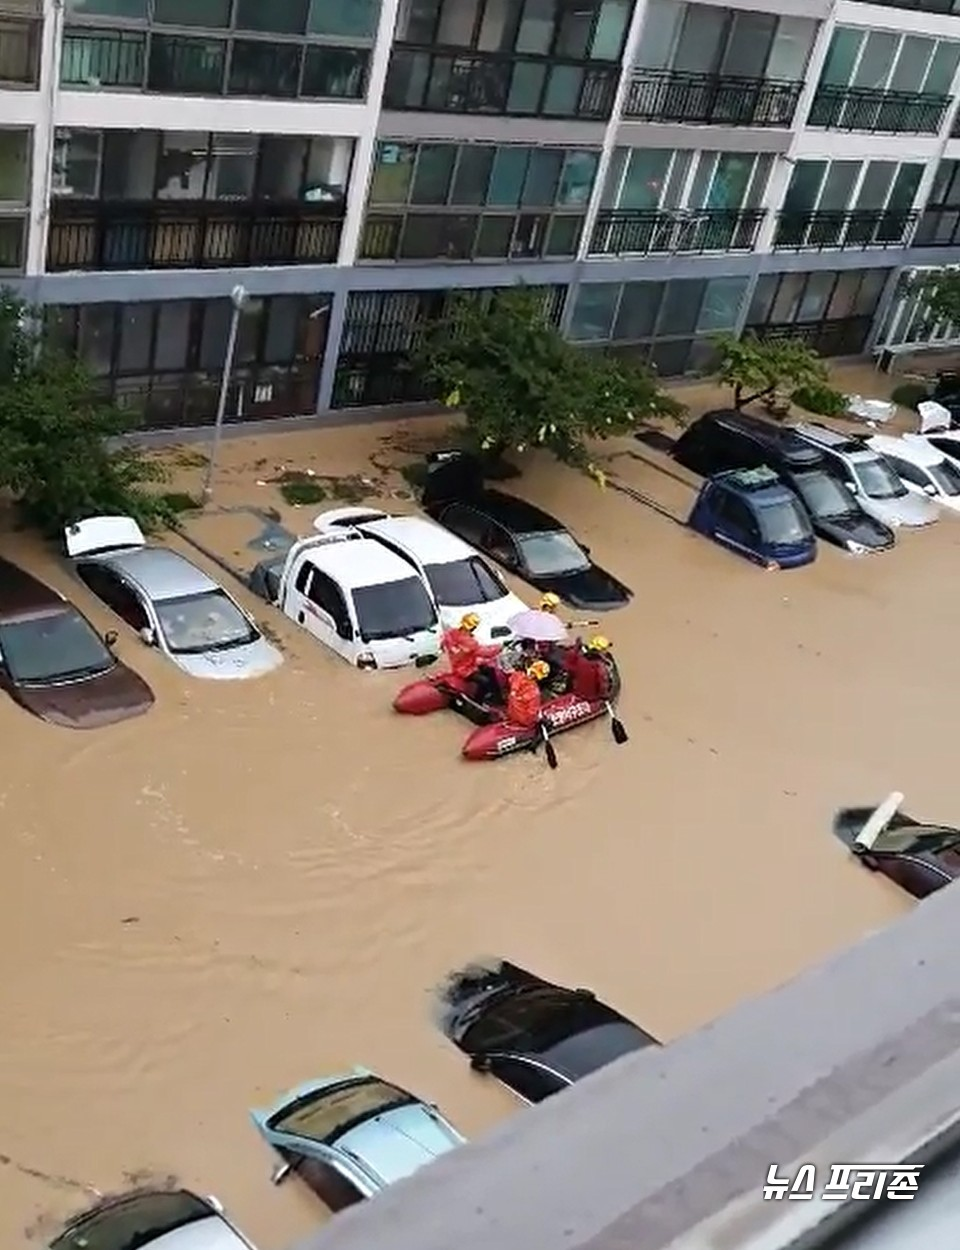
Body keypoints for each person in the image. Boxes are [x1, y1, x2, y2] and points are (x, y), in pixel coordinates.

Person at [441, 613, 501, 684]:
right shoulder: (469, 642)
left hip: (456, 666)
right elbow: (486, 653)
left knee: (488, 669)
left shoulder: (451, 634)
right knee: (486, 681)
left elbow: (444, 644)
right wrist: (499, 647)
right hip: (466, 670)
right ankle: (486, 694)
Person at [506, 661, 548, 728]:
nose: (532, 675)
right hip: (512, 715)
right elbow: (514, 680)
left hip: (523, 719)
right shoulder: (518, 676)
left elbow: (532, 711)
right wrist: (514, 691)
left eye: (535, 675)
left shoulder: (534, 691)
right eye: (532, 673)